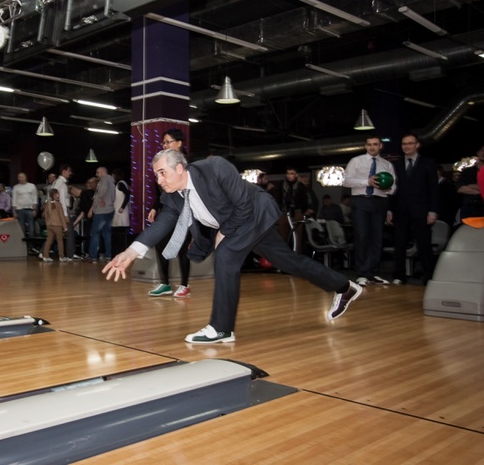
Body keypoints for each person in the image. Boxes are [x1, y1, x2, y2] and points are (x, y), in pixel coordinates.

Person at [102, 149, 362, 344]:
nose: (159, 180)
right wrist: (131, 251)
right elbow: (163, 222)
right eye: (156, 174)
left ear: (179, 168)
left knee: (226, 256)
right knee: (287, 261)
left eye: (162, 173)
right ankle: (345, 286)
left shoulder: (214, 168)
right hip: (239, 223)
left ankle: (221, 329)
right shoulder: (172, 195)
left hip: (254, 213)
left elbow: (243, 205)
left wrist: (224, 233)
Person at [343, 135, 396, 286]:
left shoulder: (387, 164)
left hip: (380, 201)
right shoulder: (356, 161)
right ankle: (362, 273)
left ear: (380, 146)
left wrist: (387, 188)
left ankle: (372, 273)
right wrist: (367, 182)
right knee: (362, 236)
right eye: (369, 144)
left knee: (377, 238)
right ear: (366, 146)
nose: (372, 147)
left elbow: (393, 187)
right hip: (361, 201)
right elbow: (346, 181)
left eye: (375, 144)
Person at [386, 133, 438, 285]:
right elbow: (392, 190)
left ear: (417, 145)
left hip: (422, 211)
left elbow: (434, 189)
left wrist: (433, 211)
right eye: (404, 144)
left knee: (424, 244)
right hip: (400, 210)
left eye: (410, 143)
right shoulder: (395, 164)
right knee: (399, 244)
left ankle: (429, 276)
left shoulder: (428, 163)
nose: (406, 146)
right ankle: (399, 275)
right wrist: (390, 210)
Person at [148, 128, 192, 298]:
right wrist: (154, 207)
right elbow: (160, 192)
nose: (164, 145)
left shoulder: (188, 164)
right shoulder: (162, 163)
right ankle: (165, 284)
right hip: (167, 211)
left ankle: (185, 285)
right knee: (160, 244)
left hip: (184, 211)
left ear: (179, 143)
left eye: (168, 142)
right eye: (163, 142)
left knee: (182, 248)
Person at [86, 166, 115, 263]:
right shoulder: (112, 181)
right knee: (107, 234)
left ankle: (93, 256)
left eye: (98, 172)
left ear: (102, 172)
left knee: (95, 234)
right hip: (110, 210)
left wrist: (100, 199)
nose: (96, 175)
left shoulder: (104, 180)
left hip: (101, 211)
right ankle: (108, 256)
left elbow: (101, 192)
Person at [279, 166, 309, 252]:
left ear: (296, 175)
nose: (289, 175)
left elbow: (304, 200)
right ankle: (282, 254)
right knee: (282, 235)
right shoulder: (282, 185)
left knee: (297, 236)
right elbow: (278, 198)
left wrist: (302, 211)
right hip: (284, 211)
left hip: (297, 211)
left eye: (291, 173)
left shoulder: (300, 186)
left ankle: (297, 254)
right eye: (288, 173)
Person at [52, 164, 76, 258]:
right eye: (69, 171)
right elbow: (62, 200)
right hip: (62, 210)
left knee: (55, 231)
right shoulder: (62, 184)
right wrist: (65, 214)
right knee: (69, 232)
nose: (70, 173)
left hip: (56, 210)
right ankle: (70, 254)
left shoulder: (56, 182)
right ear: (64, 171)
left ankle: (43, 251)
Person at [40, 188, 70, 262]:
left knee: (49, 240)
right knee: (60, 241)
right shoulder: (58, 204)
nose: (58, 195)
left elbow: (44, 215)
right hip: (57, 225)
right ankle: (61, 257)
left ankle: (45, 256)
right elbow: (61, 217)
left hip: (49, 225)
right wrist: (65, 227)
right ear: (54, 195)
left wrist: (47, 223)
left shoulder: (47, 204)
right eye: (57, 194)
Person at [456, 145, 484, 219]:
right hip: (469, 209)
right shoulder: (468, 171)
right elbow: (460, 189)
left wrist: (470, 186)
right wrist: (481, 191)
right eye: (482, 150)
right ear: (477, 153)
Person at [12, 172, 38, 239]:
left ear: (25, 178)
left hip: (30, 209)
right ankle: (22, 243)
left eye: (20, 177)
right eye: (18, 177)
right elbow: (14, 199)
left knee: (31, 227)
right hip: (20, 209)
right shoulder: (16, 187)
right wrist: (14, 211)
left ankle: (31, 243)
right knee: (21, 227)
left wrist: (35, 209)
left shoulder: (32, 186)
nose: (19, 179)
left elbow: (34, 198)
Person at [111, 168, 130, 256]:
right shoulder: (122, 183)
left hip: (120, 211)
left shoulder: (120, 184)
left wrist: (122, 207)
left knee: (119, 231)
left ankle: (119, 251)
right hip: (120, 210)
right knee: (120, 230)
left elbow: (127, 194)